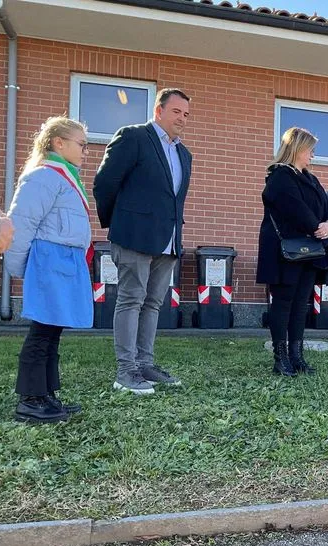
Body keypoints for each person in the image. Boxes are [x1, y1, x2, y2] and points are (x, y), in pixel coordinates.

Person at [94, 88, 193, 394]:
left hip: (168, 240)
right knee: (131, 299)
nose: (182, 119)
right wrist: (121, 223)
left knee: (153, 303)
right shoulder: (134, 137)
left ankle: (145, 365)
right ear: (159, 111)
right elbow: (105, 183)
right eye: (176, 111)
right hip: (134, 235)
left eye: (187, 114)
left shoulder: (183, 153)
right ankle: (125, 372)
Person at [4, 116, 92, 423]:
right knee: (42, 331)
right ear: (59, 143)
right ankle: (30, 400)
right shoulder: (44, 176)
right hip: (49, 261)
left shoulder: (64, 176)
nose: (85, 151)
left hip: (62, 262)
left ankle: (46, 395)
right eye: (81, 144)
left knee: (52, 330)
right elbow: (21, 223)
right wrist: (20, 268)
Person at [256, 127, 328, 376]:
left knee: (301, 304)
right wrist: (321, 231)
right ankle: (280, 359)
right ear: (296, 148)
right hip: (286, 253)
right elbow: (297, 210)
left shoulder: (311, 179)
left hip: (308, 253)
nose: (313, 154)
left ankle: (296, 357)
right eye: (310, 149)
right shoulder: (280, 176)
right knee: (283, 303)